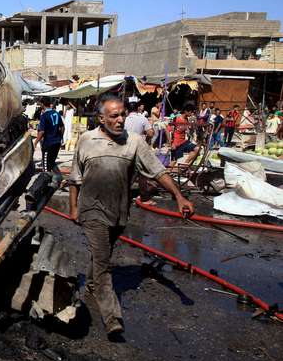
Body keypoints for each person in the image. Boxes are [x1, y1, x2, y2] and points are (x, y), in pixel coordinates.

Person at [67, 94, 194, 340]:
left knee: (101, 254)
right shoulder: (86, 140)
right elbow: (75, 177)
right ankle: (112, 318)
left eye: (123, 114)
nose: (120, 119)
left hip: (119, 211)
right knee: (104, 265)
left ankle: (91, 284)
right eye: (114, 116)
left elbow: (157, 171)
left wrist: (179, 196)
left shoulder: (134, 142)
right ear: (101, 119)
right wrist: (73, 207)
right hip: (92, 211)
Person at [35, 99, 64, 171]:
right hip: (57, 142)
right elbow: (63, 127)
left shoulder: (44, 116)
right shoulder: (56, 113)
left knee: (46, 167)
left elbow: (41, 131)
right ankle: (59, 178)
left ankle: (47, 181)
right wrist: (60, 137)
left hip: (48, 143)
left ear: (42, 104)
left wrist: (35, 142)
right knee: (52, 162)